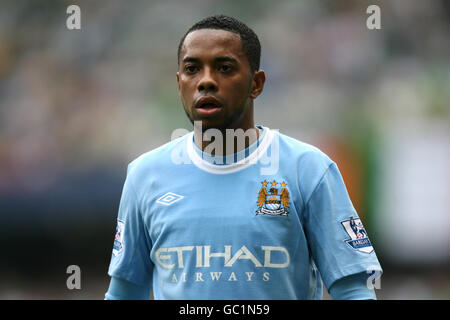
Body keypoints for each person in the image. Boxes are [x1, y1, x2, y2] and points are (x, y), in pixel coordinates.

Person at [105, 14, 382, 300]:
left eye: (224, 68)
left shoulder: (309, 170)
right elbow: (124, 293)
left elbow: (354, 291)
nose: (206, 81)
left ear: (256, 84)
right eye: (192, 69)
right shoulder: (145, 175)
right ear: (179, 83)